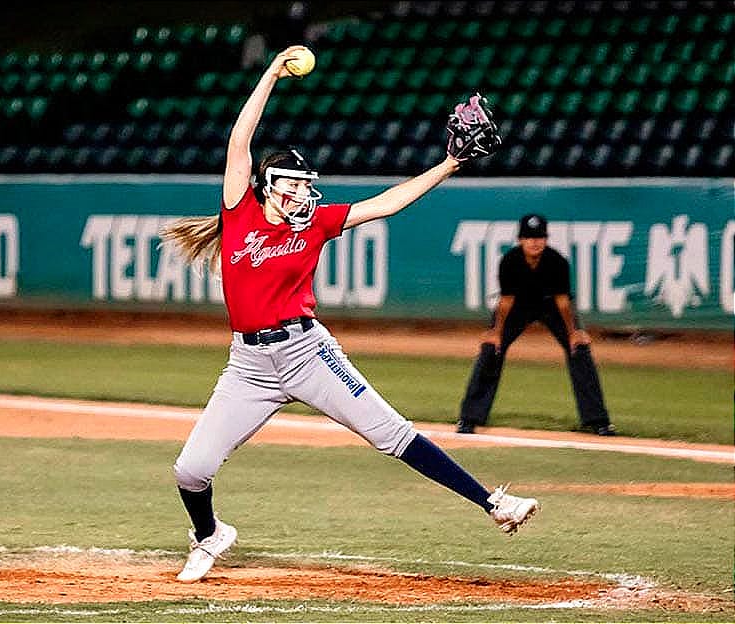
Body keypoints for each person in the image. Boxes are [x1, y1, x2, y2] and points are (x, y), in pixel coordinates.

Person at [160, 45, 539, 583]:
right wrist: (271, 72)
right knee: (190, 470)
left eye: (305, 185)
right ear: (268, 186)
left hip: (307, 353)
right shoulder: (239, 211)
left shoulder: (315, 223)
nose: (303, 193)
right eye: (293, 185)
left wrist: (449, 164)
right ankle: (209, 535)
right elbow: (239, 140)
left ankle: (494, 504)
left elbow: (386, 203)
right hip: (248, 365)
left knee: (391, 433)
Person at [456, 213, 616, 437]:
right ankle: (469, 418)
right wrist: (496, 332)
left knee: (579, 349)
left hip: (551, 306)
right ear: (520, 240)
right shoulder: (510, 261)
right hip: (517, 307)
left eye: (539, 237)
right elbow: (506, 301)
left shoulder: (556, 262)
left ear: (546, 239)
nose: (534, 242)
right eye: (529, 237)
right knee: (491, 348)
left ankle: (597, 420)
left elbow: (562, 302)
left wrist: (573, 333)